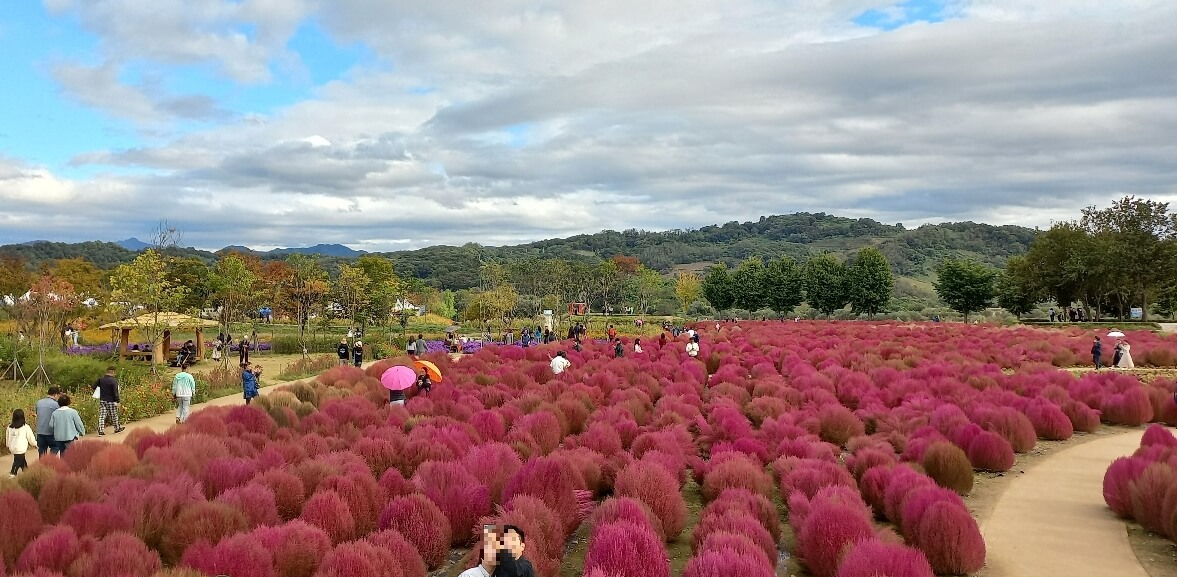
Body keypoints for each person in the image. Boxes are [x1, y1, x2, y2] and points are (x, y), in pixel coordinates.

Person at [93, 365, 124, 435]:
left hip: (102, 400)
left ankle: (101, 430)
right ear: (113, 372)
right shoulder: (113, 381)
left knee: (102, 415)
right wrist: (118, 401)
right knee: (114, 414)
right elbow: (115, 392)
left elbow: (94, 386)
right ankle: (117, 428)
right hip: (111, 400)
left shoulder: (101, 379)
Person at [7, 409, 37, 477]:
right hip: (21, 448)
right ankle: (12, 474)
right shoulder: (25, 427)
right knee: (17, 461)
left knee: (21, 460)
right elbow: (31, 438)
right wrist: (35, 444)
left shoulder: (9, 427)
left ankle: (26, 472)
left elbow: (8, 438)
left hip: (12, 447)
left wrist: (8, 445)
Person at [34, 386, 62, 457]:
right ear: (55, 394)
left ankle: (42, 465)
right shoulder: (56, 405)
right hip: (51, 432)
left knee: (42, 450)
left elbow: (37, 414)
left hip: (40, 431)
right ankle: (50, 460)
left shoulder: (39, 402)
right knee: (56, 446)